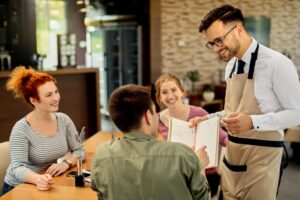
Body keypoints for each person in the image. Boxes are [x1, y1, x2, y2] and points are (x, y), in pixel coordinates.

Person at [190, 4, 300, 200]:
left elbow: (296, 113)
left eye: (218, 40)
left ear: (238, 29)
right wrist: (208, 118)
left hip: (262, 158)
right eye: (211, 43)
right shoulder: (231, 66)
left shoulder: (277, 64)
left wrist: (252, 122)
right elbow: (232, 111)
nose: (216, 48)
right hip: (232, 155)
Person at [91, 84, 210, 200]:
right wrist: (201, 166)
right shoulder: (182, 154)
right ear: (148, 116)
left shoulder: (102, 155)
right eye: (154, 112)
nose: (157, 117)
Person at [1, 66, 85, 195]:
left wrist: (66, 163)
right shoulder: (21, 129)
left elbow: (79, 150)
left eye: (56, 92)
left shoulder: (64, 120)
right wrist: (37, 179)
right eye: (49, 95)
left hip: (49, 181)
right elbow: (17, 168)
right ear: (33, 100)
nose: (56, 98)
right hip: (20, 188)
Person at [155, 73, 228, 196]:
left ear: (182, 92)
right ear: (159, 98)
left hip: (206, 174)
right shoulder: (156, 120)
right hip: (177, 177)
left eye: (174, 90)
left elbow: (223, 138)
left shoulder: (199, 113)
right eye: (164, 92)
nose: (170, 96)